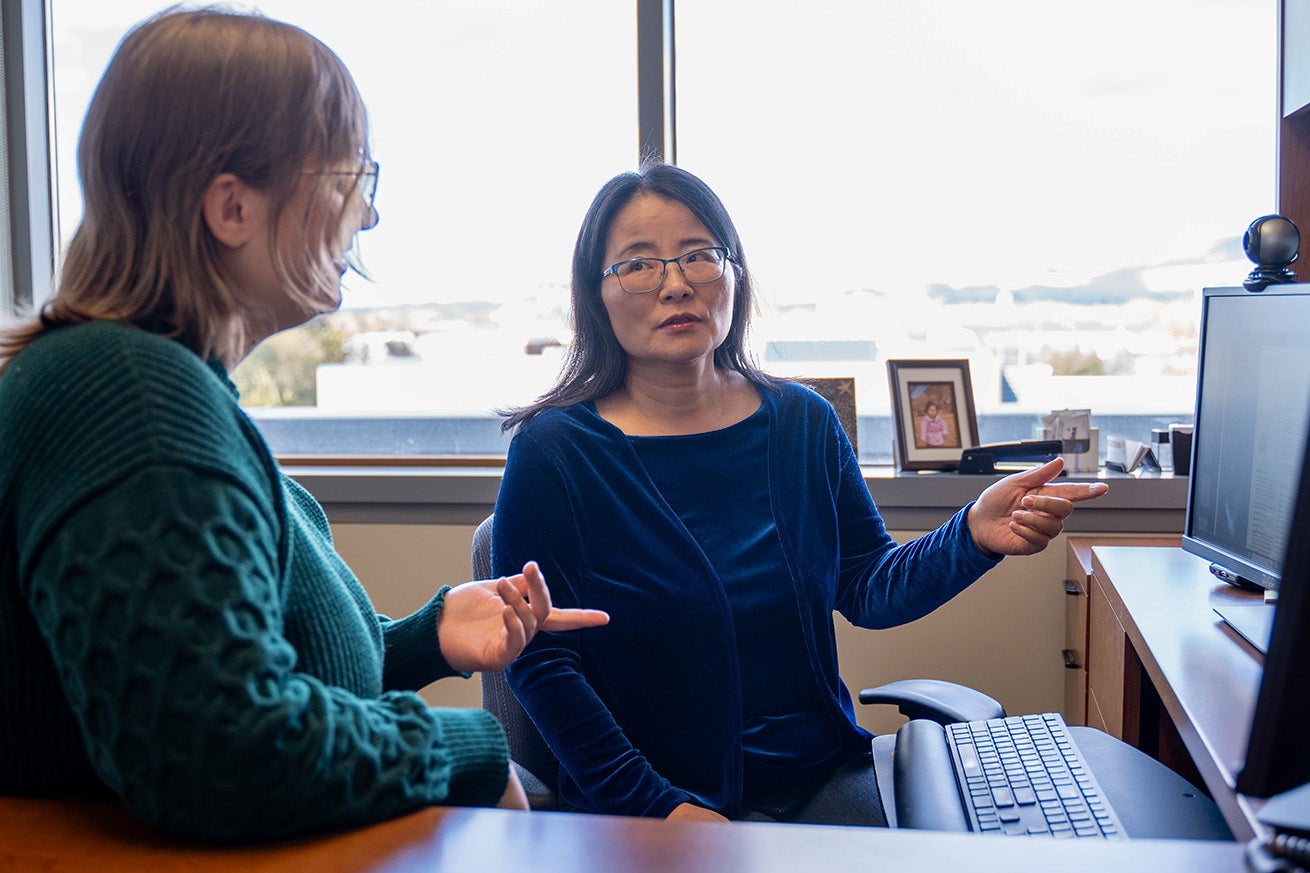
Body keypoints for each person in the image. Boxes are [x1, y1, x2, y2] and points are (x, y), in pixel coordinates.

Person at [0, 7, 606, 845]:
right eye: (347, 179)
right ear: (232, 208)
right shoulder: (132, 401)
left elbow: (224, 663)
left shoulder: (156, 386)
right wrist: (465, 746)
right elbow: (220, 748)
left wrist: (423, 639)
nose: (368, 215)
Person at [491, 162, 1109, 826]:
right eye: (640, 265)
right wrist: (660, 808)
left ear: (733, 274)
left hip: (821, 778)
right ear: (597, 292)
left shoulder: (802, 423)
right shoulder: (556, 452)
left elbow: (867, 584)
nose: (676, 285)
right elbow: (542, 662)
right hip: (656, 804)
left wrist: (972, 536)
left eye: (699, 256)